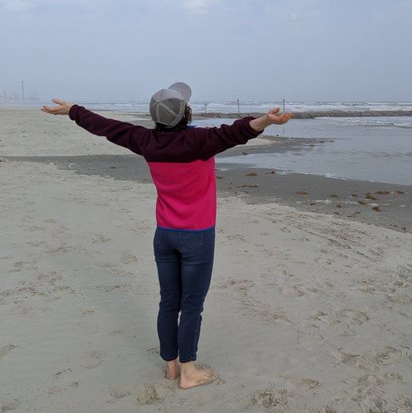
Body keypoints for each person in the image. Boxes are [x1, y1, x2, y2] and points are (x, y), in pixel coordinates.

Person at [41, 83, 292, 389]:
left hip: (165, 236)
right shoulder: (199, 141)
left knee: (168, 302)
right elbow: (235, 132)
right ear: (186, 113)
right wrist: (266, 120)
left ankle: (171, 367)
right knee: (191, 306)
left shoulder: (146, 141)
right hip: (197, 237)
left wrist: (73, 111)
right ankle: (188, 372)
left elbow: (108, 128)